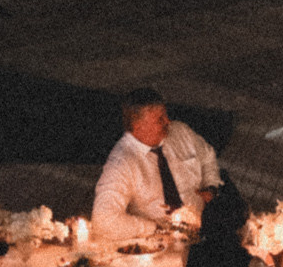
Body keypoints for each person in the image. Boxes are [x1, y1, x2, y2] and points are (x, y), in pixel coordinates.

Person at [92, 88, 221, 243]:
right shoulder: (121, 162)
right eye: (160, 119)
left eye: (166, 115)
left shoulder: (181, 132)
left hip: (206, 226)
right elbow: (103, 220)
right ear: (138, 127)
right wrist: (155, 228)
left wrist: (211, 186)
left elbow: (208, 156)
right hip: (162, 244)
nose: (168, 122)